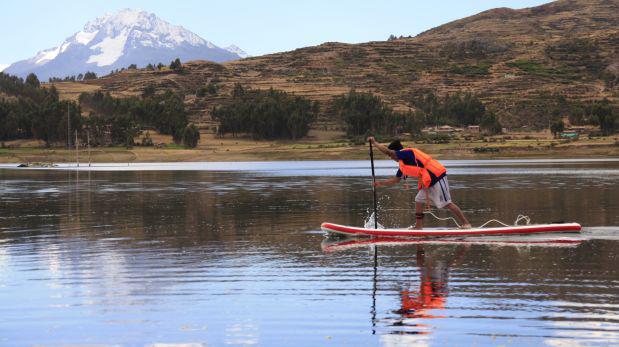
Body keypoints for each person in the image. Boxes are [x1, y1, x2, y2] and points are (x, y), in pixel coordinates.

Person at [367, 137, 471, 229]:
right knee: (419, 200)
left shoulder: (406, 152)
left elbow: (388, 152)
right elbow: (396, 179)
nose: (391, 158)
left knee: (447, 203)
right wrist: (380, 183)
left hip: (437, 176)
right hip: (428, 181)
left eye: (392, 156)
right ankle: (418, 226)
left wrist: (374, 142)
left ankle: (466, 224)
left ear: (396, 151)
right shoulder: (403, 163)